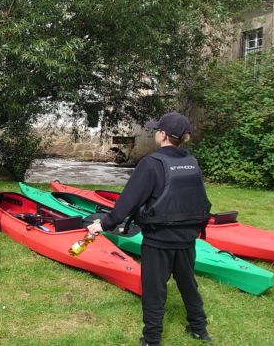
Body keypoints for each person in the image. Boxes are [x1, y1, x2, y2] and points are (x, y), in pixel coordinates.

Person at [86, 112, 212, 346]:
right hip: (186, 238)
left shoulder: (152, 164)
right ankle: (199, 328)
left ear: (163, 135)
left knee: (154, 291)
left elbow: (128, 201)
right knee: (187, 283)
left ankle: (152, 339)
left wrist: (103, 224)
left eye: (157, 130)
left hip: (159, 239)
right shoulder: (191, 161)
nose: (155, 133)